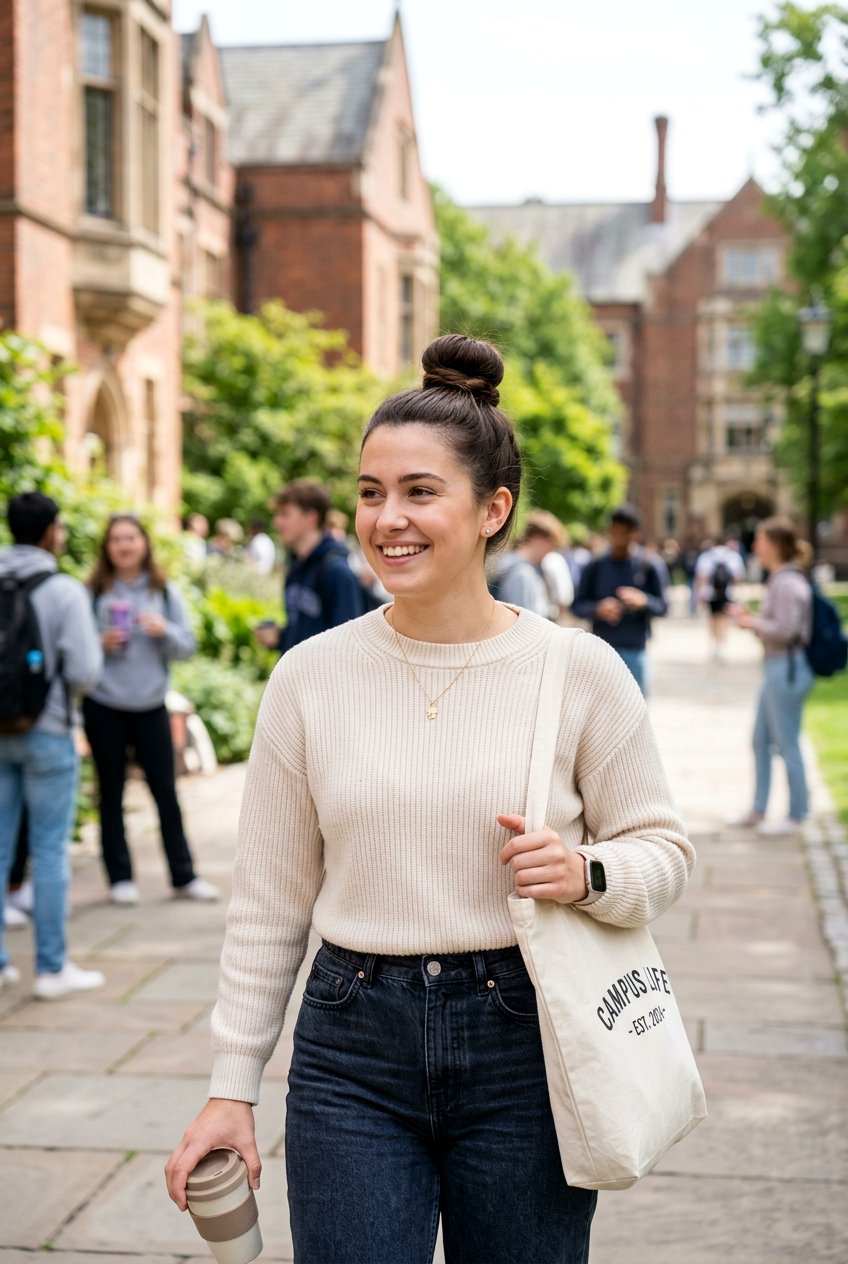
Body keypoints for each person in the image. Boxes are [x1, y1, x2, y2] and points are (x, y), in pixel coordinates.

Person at [165, 334, 694, 1263]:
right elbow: (268, 904)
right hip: (349, 1049)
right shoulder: (309, 676)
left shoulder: (577, 670)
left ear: (494, 508)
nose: (386, 519)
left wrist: (585, 870)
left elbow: (664, 852)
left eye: (419, 491)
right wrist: (230, 1083)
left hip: (525, 1043)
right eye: (371, 492)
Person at [0, 491, 105, 999]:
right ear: (49, 531)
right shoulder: (63, 590)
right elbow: (85, 669)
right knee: (47, 849)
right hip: (48, 728)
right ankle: (51, 967)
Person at [83, 515, 219, 906]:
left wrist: (165, 632)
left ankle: (184, 876)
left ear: (143, 544)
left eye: (130, 537)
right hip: (104, 704)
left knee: (166, 792)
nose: (124, 545)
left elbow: (188, 645)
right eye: (116, 539)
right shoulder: (92, 592)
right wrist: (98, 642)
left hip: (150, 705)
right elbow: (72, 649)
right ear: (107, 548)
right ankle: (120, 878)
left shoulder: (164, 591)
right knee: (111, 792)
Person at [729, 517, 814, 836]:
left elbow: (789, 630)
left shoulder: (789, 582)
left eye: (760, 540)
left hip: (788, 669)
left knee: (787, 742)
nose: (755, 546)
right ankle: (759, 809)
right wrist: (752, 620)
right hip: (776, 667)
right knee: (760, 740)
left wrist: (753, 623)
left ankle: (797, 813)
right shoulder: (779, 579)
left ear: (775, 545)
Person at [253, 481, 365, 655]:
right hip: (295, 678)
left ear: (310, 517)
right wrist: (280, 637)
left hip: (323, 680)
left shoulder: (336, 571)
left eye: (285, 514)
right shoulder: (296, 567)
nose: (277, 522)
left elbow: (348, 645)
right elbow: (306, 631)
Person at [571, 504, 668, 695]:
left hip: (636, 649)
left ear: (635, 533)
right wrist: (598, 609)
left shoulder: (649, 564)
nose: (618, 538)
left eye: (624, 533)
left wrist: (644, 601)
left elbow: (663, 606)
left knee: (635, 714)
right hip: (600, 650)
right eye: (614, 532)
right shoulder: (595, 565)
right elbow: (577, 605)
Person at [491, 515, 560, 616]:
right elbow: (525, 623)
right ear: (538, 540)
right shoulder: (523, 573)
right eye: (551, 544)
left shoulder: (511, 563)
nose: (551, 551)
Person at [695, 534, 746, 662]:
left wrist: (699, 594)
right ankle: (722, 645)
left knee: (712, 619)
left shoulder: (706, 556)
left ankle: (714, 646)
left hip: (710, 593)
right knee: (724, 620)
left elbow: (701, 576)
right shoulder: (733, 556)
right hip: (727, 593)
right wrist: (738, 594)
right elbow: (737, 577)